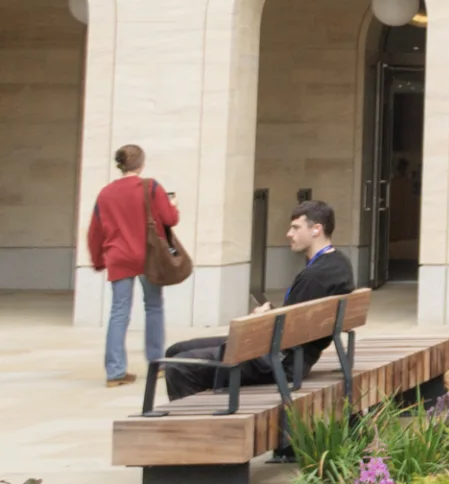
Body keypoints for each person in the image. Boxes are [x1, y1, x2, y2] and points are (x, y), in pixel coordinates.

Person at [161, 200, 354, 401]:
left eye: (296, 228)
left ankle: (197, 425)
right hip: (290, 355)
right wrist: (271, 311)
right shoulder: (338, 264)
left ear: (316, 230)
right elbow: (297, 317)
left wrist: (265, 316)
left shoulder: (314, 276)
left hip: (279, 362)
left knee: (179, 366)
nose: (289, 233)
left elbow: (287, 332)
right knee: (176, 350)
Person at [88, 144, 178, 388]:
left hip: (118, 257)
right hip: (148, 256)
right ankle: (157, 363)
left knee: (119, 312)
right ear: (141, 163)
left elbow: (95, 231)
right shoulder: (151, 187)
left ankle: (115, 372)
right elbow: (170, 219)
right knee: (154, 306)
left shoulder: (105, 193)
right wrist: (173, 206)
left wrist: (98, 260)